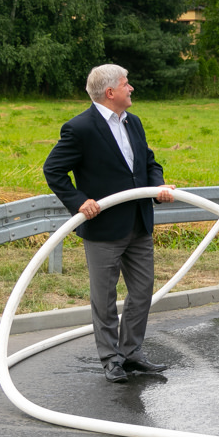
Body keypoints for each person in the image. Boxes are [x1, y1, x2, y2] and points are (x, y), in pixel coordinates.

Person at [43, 64, 175, 383]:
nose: (132, 89)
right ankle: (110, 358)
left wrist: (158, 187)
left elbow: (149, 162)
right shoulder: (80, 128)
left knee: (142, 291)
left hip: (139, 222)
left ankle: (131, 353)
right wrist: (78, 201)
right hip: (104, 228)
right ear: (110, 92)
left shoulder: (134, 122)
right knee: (104, 298)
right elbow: (53, 170)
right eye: (127, 84)